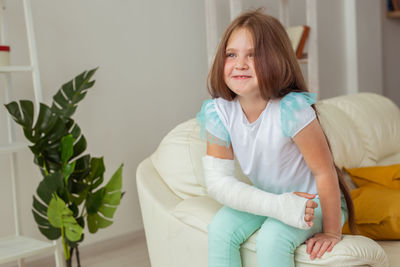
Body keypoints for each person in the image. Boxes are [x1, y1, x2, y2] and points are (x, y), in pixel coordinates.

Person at [196, 9, 357, 267]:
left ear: (276, 60)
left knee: (272, 238)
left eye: (253, 55)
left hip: (311, 200)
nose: (240, 64)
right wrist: (276, 205)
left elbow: (325, 172)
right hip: (270, 197)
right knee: (220, 230)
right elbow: (219, 182)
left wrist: (331, 231)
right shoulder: (219, 112)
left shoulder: (291, 110)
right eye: (231, 54)